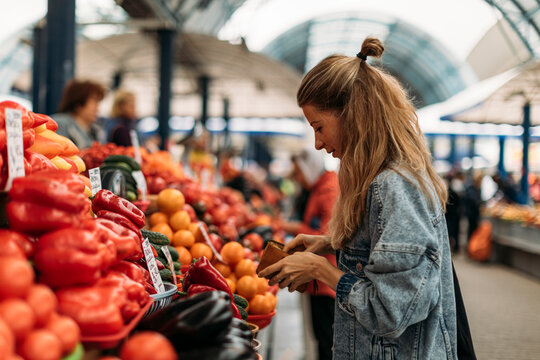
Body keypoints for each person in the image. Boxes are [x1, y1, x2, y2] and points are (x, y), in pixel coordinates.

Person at [259, 37, 458, 359]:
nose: (318, 143)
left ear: (353, 115)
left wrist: (320, 269)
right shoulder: (385, 179)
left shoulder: (394, 186)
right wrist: (330, 244)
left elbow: (392, 311)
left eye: (319, 127)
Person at [279, 148, 339, 360]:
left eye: (298, 173)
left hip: (327, 281)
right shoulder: (317, 187)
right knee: (320, 337)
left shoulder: (329, 190)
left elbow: (329, 236)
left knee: (327, 340)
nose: (297, 178)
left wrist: (295, 228)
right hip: (317, 279)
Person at [52, 79, 106, 149]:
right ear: (78, 103)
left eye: (98, 102)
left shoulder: (96, 130)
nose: (97, 107)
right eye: (94, 100)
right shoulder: (58, 124)